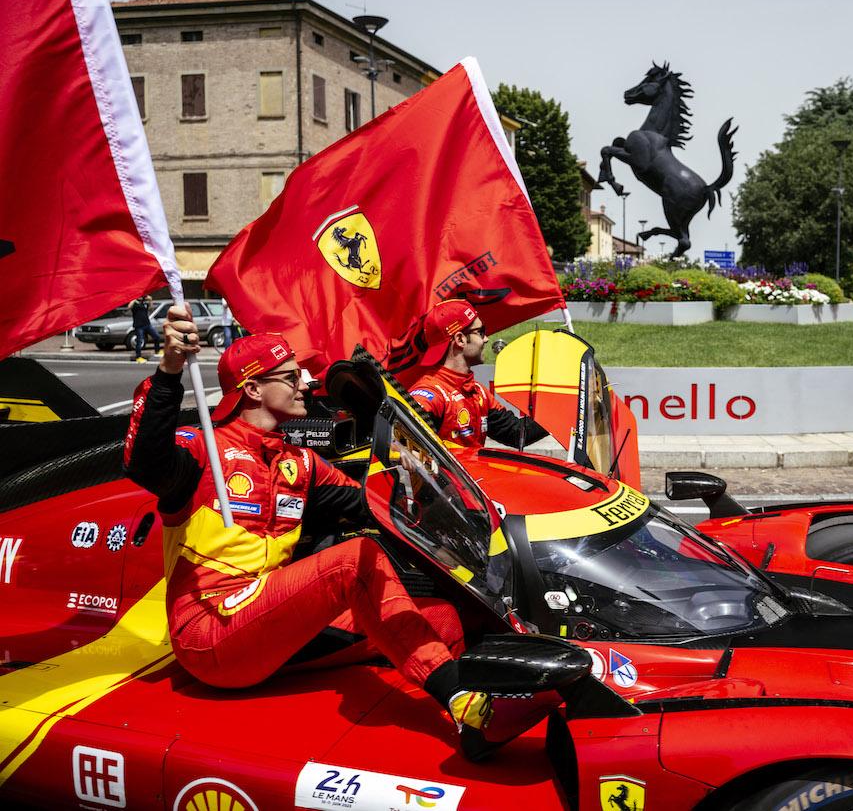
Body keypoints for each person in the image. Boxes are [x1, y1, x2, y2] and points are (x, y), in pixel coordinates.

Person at [123, 305, 546, 760]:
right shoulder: (201, 449)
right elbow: (142, 460)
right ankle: (463, 701)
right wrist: (168, 370)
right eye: (290, 376)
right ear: (251, 388)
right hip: (210, 633)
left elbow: (373, 503)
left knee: (439, 617)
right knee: (353, 560)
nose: (306, 383)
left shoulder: (299, 462)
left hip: (271, 623)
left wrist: (424, 483)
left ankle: (472, 729)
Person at [408, 299, 548, 448]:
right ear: (460, 339)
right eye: (480, 332)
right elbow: (400, 436)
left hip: (470, 471)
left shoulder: (478, 392)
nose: (486, 339)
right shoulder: (432, 394)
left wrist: (564, 413)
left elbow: (517, 433)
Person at [129, 294, 161, 362]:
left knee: (157, 337)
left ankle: (157, 351)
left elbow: (150, 309)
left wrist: (150, 300)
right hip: (139, 326)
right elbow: (129, 307)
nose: (141, 297)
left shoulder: (144, 303)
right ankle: (138, 357)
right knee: (139, 341)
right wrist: (134, 298)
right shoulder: (135, 304)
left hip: (147, 324)